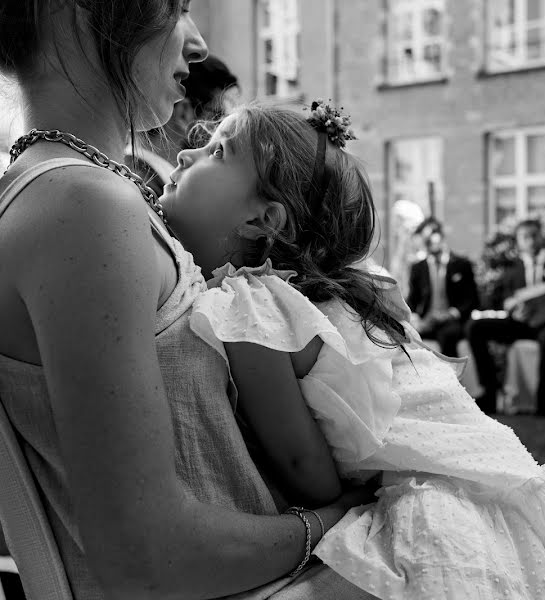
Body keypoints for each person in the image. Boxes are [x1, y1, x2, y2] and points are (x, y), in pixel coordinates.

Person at [160, 103, 545, 600]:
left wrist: (345, 502)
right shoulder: (349, 292)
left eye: (216, 150)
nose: (185, 153)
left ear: (263, 219)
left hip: (429, 503)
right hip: (488, 480)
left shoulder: (253, 309)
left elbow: (303, 470)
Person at [0, 3, 378, 599]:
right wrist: (342, 520)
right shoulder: (82, 207)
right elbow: (151, 559)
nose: (197, 43)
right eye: (175, 7)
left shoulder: (84, 194)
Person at [465, 219, 545, 416]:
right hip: (524, 323)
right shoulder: (515, 267)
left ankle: (542, 401)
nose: (530, 241)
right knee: (475, 327)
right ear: (518, 241)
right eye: (524, 237)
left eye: (534, 235)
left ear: (541, 236)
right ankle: (490, 393)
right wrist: (513, 309)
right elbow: (506, 298)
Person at [126, 54, 239, 197]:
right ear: (185, 113)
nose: (226, 129)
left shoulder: (131, 176)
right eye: (220, 115)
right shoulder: (147, 192)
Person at [406, 217, 480, 356]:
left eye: (433, 234)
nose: (430, 240)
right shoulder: (417, 268)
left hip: (452, 321)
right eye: (425, 237)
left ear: (440, 235)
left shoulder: (462, 264)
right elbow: (412, 300)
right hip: (426, 321)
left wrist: (450, 314)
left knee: (448, 335)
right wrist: (415, 319)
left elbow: (473, 299)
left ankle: (449, 376)